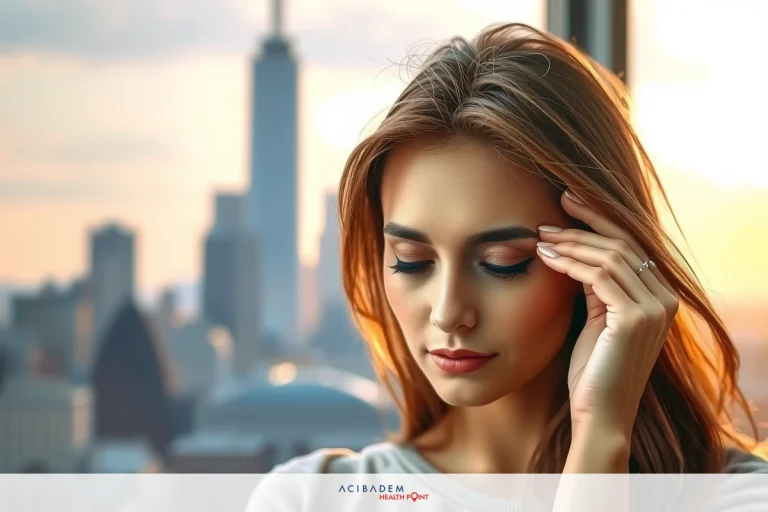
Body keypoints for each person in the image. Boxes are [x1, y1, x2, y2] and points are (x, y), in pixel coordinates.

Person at [249, 21, 768, 511]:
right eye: (412, 261)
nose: (448, 312)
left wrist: (601, 440)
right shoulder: (310, 498)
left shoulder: (736, 496)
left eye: (502, 264)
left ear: (602, 259)